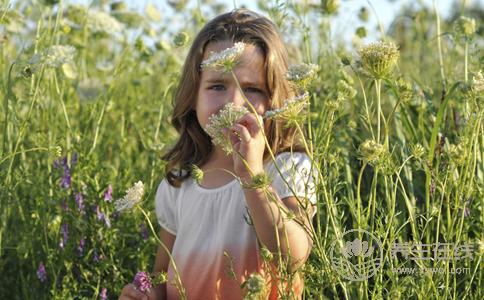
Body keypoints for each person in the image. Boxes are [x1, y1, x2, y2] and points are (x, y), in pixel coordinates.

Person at [119, 8, 319, 300]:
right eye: (217, 86)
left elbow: (294, 256)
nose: (233, 102)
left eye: (252, 89)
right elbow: (163, 275)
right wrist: (146, 294)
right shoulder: (180, 181)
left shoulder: (286, 169)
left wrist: (252, 175)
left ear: (276, 97)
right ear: (193, 97)